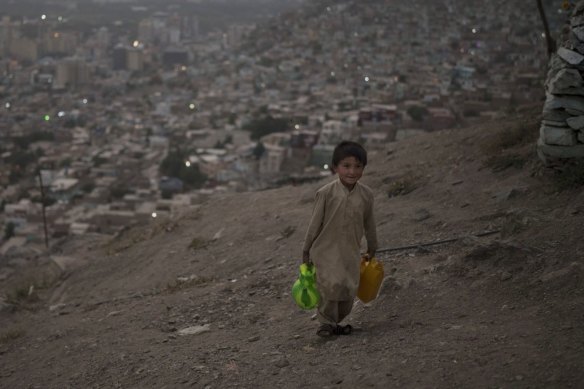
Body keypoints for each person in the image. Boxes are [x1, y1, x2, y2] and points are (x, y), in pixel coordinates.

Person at [302, 140, 378, 337]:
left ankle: (335, 323)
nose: (352, 171)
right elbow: (314, 224)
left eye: (357, 166)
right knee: (330, 285)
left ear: (363, 168)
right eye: (346, 166)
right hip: (325, 249)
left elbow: (369, 223)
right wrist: (306, 249)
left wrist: (372, 246)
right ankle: (325, 323)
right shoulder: (326, 193)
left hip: (351, 249)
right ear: (335, 167)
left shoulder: (366, 195)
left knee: (348, 288)